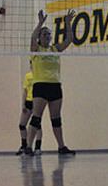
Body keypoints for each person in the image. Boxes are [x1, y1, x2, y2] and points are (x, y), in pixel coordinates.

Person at [24, 9, 77, 156]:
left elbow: (69, 40)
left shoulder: (55, 49)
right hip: (40, 86)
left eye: (49, 34)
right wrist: (40, 23)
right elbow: (32, 38)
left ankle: (61, 147)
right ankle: (28, 146)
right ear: (40, 37)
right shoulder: (36, 50)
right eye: (44, 34)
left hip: (55, 86)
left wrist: (68, 23)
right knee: (36, 117)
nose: (47, 36)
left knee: (56, 118)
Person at [16, 62, 43, 155]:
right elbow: (25, 91)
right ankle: (24, 146)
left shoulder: (41, 75)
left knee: (37, 125)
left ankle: (38, 147)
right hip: (28, 102)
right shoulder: (28, 76)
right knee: (22, 125)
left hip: (36, 101)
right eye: (31, 64)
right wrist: (23, 104)